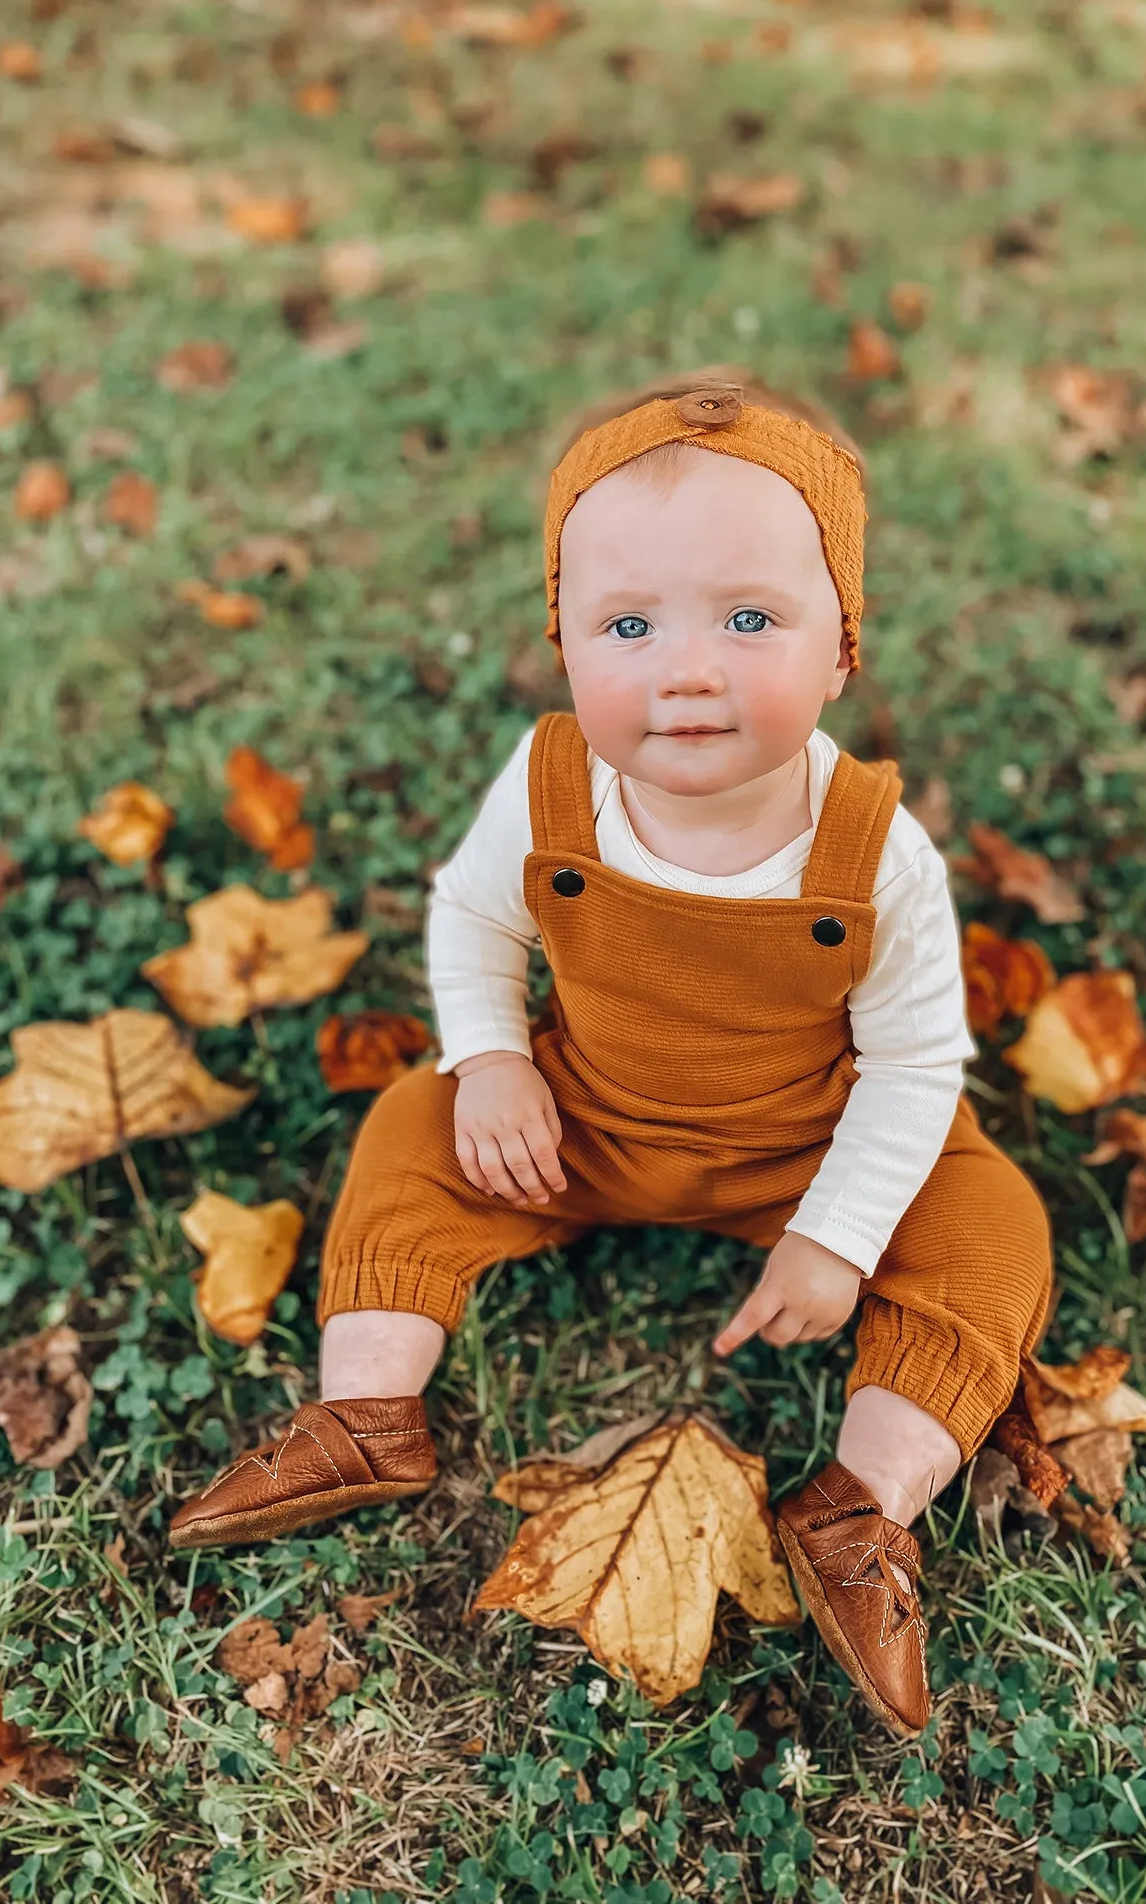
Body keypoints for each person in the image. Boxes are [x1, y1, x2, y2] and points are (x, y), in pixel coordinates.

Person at [169, 367, 1055, 1740]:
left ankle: (859, 1504)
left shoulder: (875, 850)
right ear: (567, 644)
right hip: (586, 1118)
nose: (688, 669)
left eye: (750, 618)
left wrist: (838, 1232)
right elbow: (470, 916)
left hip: (804, 1143)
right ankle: (364, 1414)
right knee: (415, 1124)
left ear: (841, 650)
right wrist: (492, 1062)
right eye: (629, 623)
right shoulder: (550, 787)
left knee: (991, 1221)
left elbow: (916, 1065)